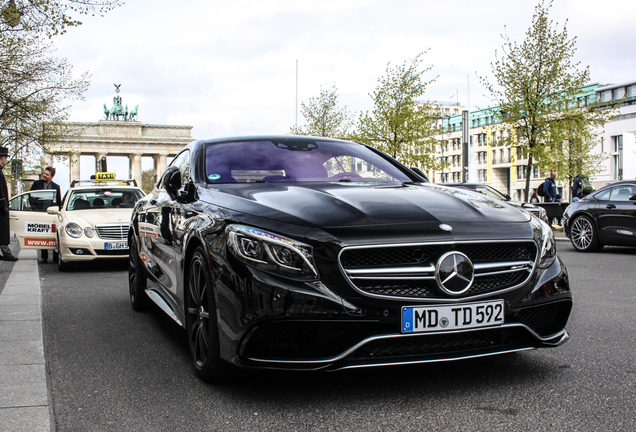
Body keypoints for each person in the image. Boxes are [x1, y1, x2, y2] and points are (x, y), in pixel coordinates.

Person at [31, 166, 62, 263]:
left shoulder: (56, 187)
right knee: (43, 234)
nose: (44, 175)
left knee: (54, 235)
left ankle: (55, 257)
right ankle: (44, 257)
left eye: (47, 174)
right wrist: (35, 207)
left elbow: (58, 201)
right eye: (44, 173)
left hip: (52, 213)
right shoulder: (36, 184)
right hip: (41, 212)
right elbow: (31, 196)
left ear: (52, 176)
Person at [0, 147, 18, 261]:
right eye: (6, 157)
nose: (6, 159)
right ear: (3, 157)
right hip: (1, 207)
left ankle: (5, 252)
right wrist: (3, 204)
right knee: (2, 230)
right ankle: (6, 253)